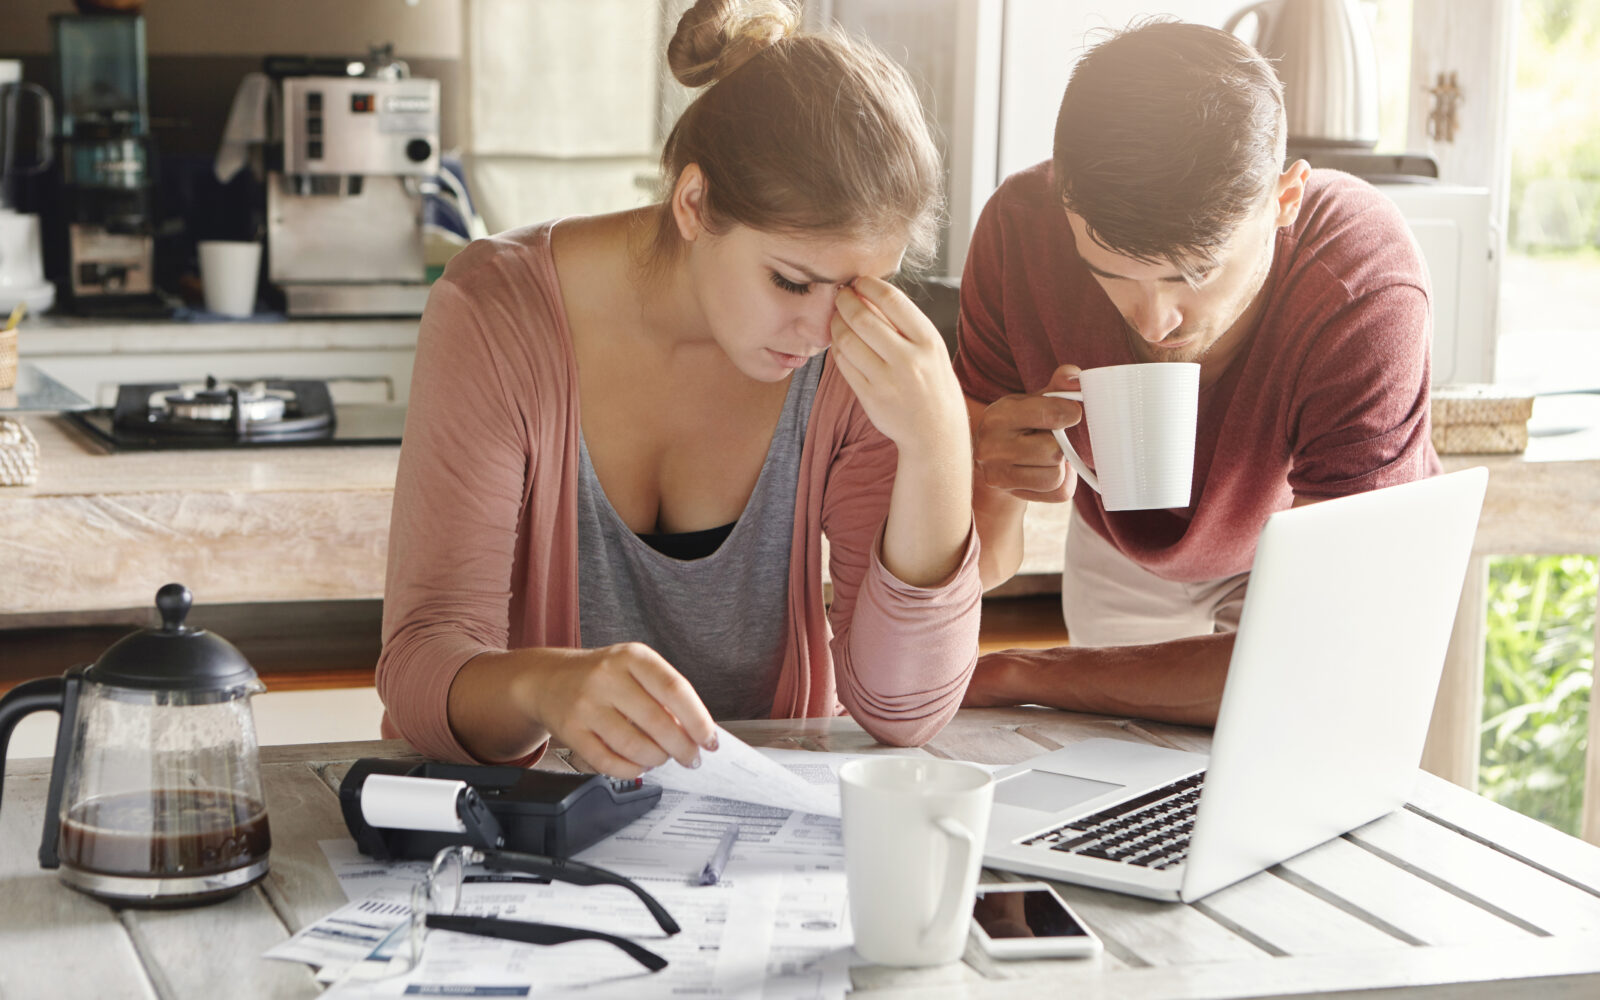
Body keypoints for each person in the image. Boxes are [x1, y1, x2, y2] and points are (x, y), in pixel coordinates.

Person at [377, 0, 982, 775]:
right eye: (792, 282)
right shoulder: (498, 313)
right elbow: (421, 663)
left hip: (763, 854)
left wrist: (937, 442)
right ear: (694, 204)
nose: (823, 332)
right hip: (528, 845)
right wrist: (545, 686)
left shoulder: (857, 359)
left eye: (861, 290)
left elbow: (905, 713)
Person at [955, 20, 1441, 725]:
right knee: (1126, 785)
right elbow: (987, 561)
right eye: (1111, 275)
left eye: (1194, 274)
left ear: (1285, 200)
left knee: (1296, 748)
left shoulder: (1362, 285)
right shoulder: (1020, 233)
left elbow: (1319, 656)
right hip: (1120, 542)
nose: (1154, 322)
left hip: (1296, 541)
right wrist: (988, 475)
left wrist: (1025, 671)